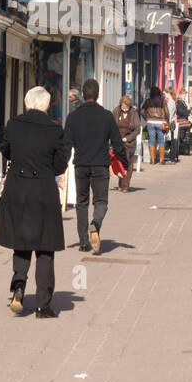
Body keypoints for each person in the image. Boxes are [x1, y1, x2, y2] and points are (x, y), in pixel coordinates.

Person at [0, 86, 72, 318]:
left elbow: (5, 150)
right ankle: (43, 304)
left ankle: (18, 287)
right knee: (45, 247)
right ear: (47, 106)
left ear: (26, 103)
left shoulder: (13, 124)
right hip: (43, 192)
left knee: (21, 242)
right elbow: (61, 164)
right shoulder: (54, 129)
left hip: (17, 189)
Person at [64, 78, 127, 254]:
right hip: (100, 164)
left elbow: (66, 145)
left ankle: (83, 242)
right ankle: (95, 224)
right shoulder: (107, 116)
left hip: (81, 165)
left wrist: (59, 165)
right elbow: (117, 143)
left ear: (83, 95)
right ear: (98, 95)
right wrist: (125, 163)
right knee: (101, 202)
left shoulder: (73, 117)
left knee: (81, 203)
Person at [113, 95, 141, 193]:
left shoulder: (133, 113)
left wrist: (128, 138)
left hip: (129, 142)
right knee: (119, 162)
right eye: (123, 107)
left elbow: (137, 129)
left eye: (126, 107)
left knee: (128, 163)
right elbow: (112, 125)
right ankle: (121, 182)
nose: (124, 109)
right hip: (117, 141)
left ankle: (126, 185)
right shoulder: (116, 111)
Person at [140, 86, 170, 164]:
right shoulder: (163, 101)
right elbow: (167, 112)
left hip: (150, 122)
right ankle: (161, 160)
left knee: (151, 140)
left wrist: (147, 118)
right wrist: (167, 120)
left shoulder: (148, 101)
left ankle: (152, 160)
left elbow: (142, 111)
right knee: (161, 140)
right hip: (161, 122)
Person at [171, 87, 192, 161]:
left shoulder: (183, 101)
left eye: (185, 95)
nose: (185, 96)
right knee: (181, 136)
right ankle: (181, 150)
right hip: (182, 121)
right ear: (180, 94)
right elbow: (180, 111)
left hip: (184, 120)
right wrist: (188, 112)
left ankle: (183, 149)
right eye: (184, 94)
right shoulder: (179, 102)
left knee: (183, 136)